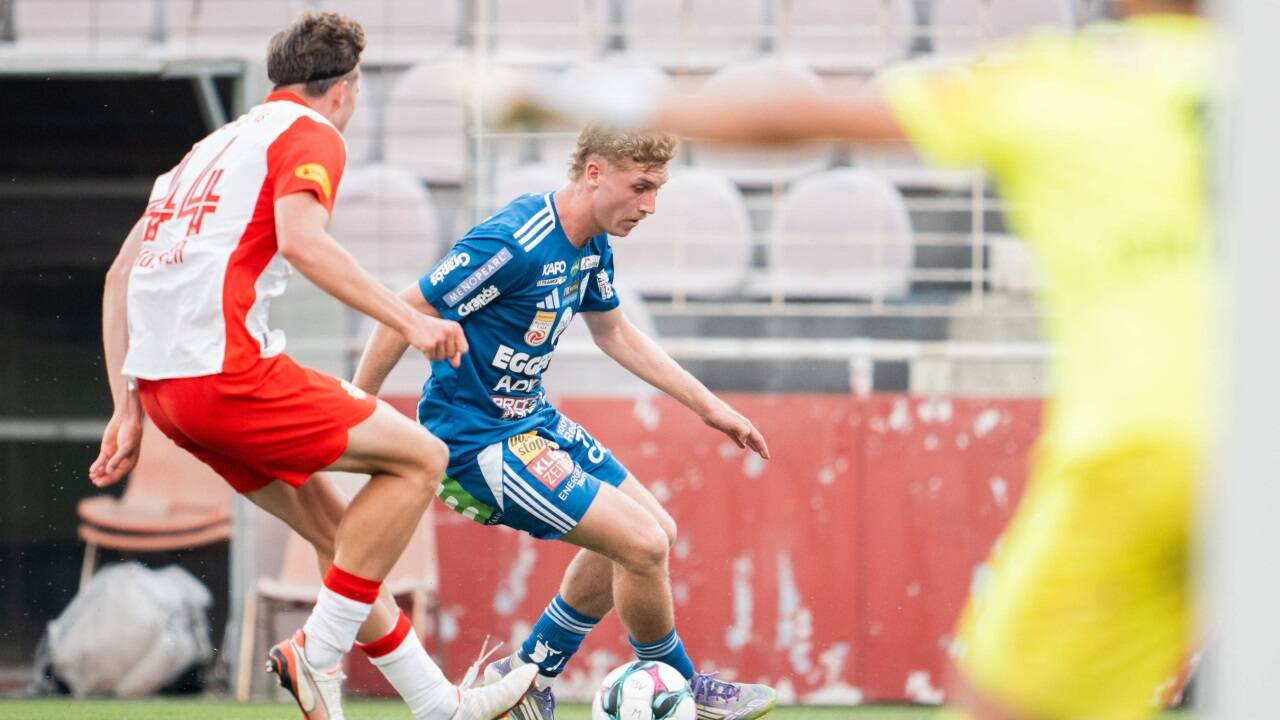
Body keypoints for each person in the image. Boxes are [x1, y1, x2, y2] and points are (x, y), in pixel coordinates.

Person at [497, 1, 1213, 718]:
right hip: (1246, 449)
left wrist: (576, 92)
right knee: (643, 535)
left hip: (1137, 445)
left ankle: (575, 683)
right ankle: (586, 681)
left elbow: (809, 115)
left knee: (1005, 703)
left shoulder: (1062, 82)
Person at [89, 11, 536, 720]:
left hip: (170, 397)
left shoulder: (202, 152)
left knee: (344, 544)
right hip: (228, 375)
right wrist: (411, 320)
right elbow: (302, 241)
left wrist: (126, 406)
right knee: (421, 457)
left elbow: (119, 277)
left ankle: (439, 706)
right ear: (346, 86)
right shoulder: (312, 132)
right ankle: (318, 653)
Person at [351, 125, 778, 720]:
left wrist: (711, 407)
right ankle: (683, 689)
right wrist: (359, 409)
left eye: (659, 189)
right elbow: (404, 310)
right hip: (476, 441)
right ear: (595, 172)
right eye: (642, 187)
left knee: (657, 530)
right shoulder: (514, 243)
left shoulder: (593, 243)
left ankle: (523, 676)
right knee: (643, 544)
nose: (651, 206)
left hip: (533, 422)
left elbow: (615, 333)